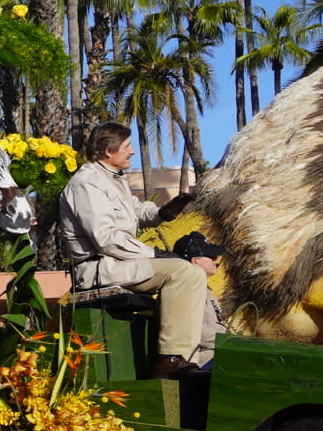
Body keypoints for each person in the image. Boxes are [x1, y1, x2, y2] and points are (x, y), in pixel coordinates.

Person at [59, 121, 219, 378]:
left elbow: (135, 210)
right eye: (127, 146)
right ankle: (171, 359)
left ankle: (188, 360)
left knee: (189, 273)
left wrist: (164, 212)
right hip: (99, 268)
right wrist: (155, 254)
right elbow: (107, 239)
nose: (132, 151)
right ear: (108, 151)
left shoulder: (111, 178)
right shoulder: (86, 184)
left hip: (120, 264)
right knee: (184, 272)